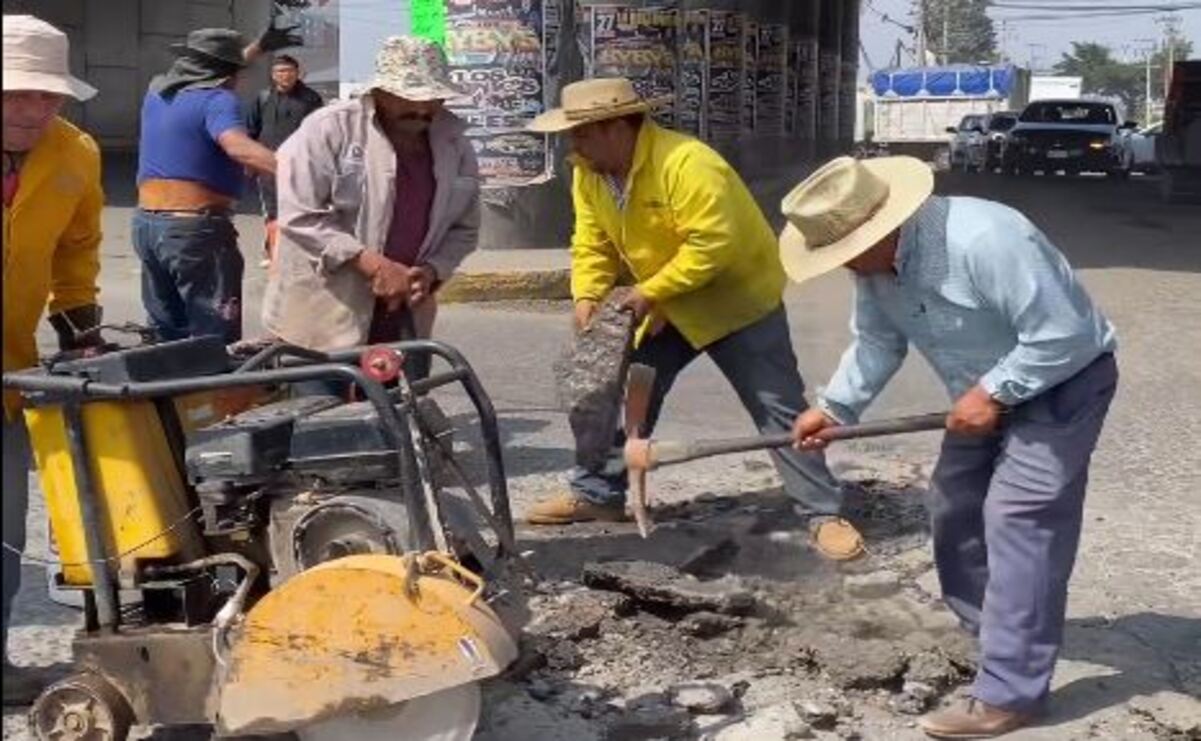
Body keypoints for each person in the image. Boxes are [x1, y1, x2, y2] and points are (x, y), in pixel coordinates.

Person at [786, 157, 1118, 738]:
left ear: (882, 228)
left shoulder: (986, 239)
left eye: (846, 255)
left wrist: (995, 390)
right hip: (979, 394)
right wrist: (835, 408)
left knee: (1020, 517)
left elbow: (1067, 333)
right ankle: (991, 636)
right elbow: (877, 342)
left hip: (1063, 380)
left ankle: (1010, 693)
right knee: (953, 504)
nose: (844, 269)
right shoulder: (875, 270)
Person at [522, 77, 864, 561]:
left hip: (736, 299)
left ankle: (822, 513)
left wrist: (648, 291)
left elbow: (713, 245)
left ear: (619, 126)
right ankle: (598, 495)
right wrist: (587, 296)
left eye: (581, 132)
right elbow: (592, 242)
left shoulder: (688, 163)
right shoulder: (588, 172)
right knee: (625, 394)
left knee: (777, 408)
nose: (572, 143)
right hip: (667, 303)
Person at [261, 36, 479, 379]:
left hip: (404, 315)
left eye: (431, 99)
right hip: (324, 313)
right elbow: (299, 215)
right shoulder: (329, 128)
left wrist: (433, 270)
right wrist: (375, 265)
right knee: (320, 422)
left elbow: (464, 229)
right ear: (379, 93)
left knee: (398, 421)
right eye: (408, 98)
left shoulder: (455, 142)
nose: (422, 110)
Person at [2, 14, 104, 705]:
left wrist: (80, 339)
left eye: (47, 95)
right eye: (15, 94)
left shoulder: (77, 153)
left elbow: (77, 253)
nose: (33, 109)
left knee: (6, 539)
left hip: (9, 374)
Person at [134, 23, 300, 344]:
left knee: (165, 332)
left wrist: (257, 48)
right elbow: (237, 146)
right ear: (229, 75)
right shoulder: (218, 99)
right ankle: (212, 392)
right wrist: (304, 173)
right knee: (212, 337)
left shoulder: (157, 90)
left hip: (148, 227)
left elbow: (209, 69)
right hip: (195, 232)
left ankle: (168, 392)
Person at [245, 53, 324, 268]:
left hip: (301, 166)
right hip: (267, 166)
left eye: (289, 71)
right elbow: (251, 131)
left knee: (300, 209)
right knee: (271, 211)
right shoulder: (262, 98)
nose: (285, 75)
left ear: (298, 73)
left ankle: (300, 255)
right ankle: (272, 252)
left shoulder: (311, 99)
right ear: (273, 75)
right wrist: (251, 162)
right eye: (280, 71)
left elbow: (319, 134)